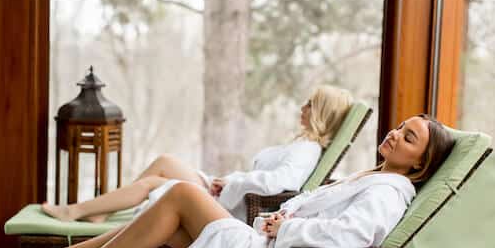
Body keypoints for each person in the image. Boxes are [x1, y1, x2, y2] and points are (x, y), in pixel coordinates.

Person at [5, 114, 454, 248]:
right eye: (399, 127)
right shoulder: (376, 176)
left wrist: (285, 230)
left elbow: (354, 236)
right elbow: (311, 211)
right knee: (165, 218)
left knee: (182, 195)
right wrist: (279, 219)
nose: (395, 134)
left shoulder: (391, 192)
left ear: (421, 163)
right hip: (264, 247)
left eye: (408, 138)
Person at [41, 85, 353, 223]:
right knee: (164, 162)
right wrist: (229, 181)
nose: (303, 106)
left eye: (310, 103)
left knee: (153, 183)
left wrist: (230, 183)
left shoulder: (307, 150)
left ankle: (78, 211)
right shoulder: (303, 144)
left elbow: (276, 183)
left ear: (321, 113)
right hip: (228, 193)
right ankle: (100, 211)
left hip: (231, 208)